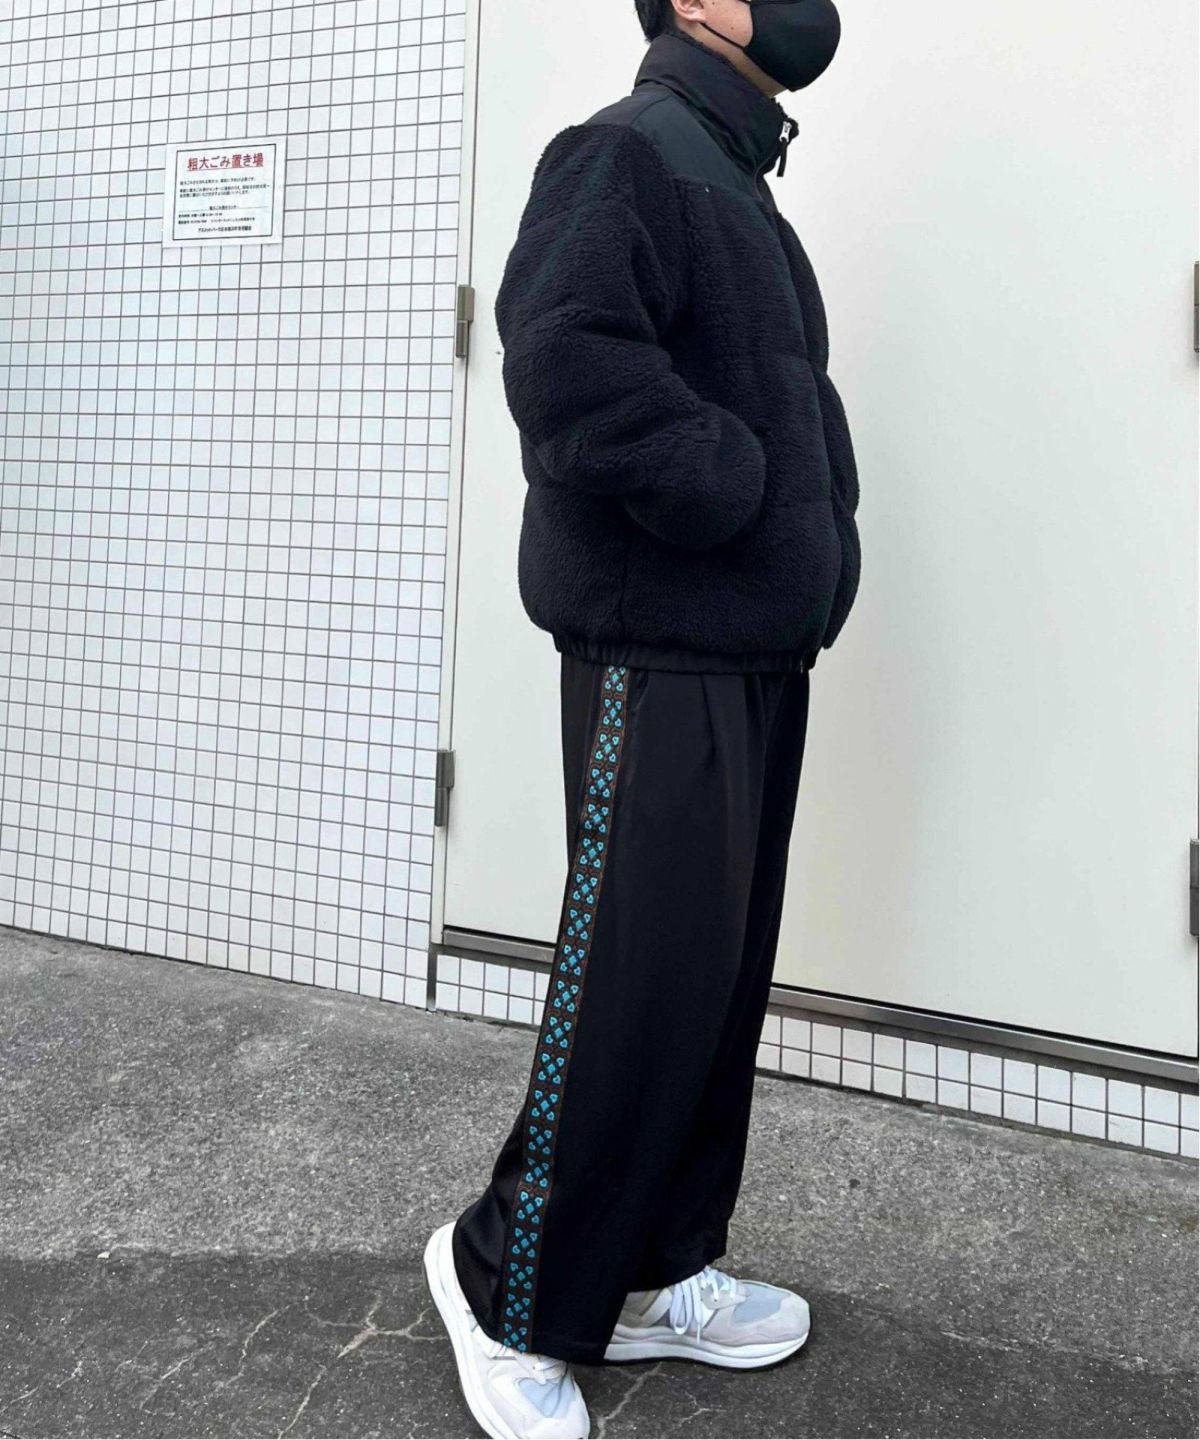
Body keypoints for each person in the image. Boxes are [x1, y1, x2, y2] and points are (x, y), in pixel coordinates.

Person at [424, 1, 861, 1434]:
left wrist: (816, 530)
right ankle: (505, 1287)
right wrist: (733, 487)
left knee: (710, 987)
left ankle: (660, 1265)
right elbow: (564, 363)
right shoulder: (625, 151)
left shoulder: (727, 169)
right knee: (636, 986)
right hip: (657, 643)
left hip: (749, 646)